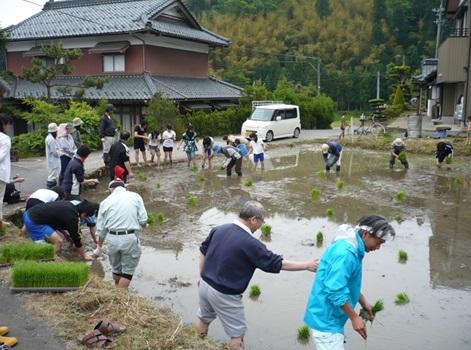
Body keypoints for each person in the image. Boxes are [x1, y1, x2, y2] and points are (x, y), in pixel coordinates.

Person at [196, 201, 318, 350]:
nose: (261, 226)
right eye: (261, 221)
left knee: (203, 319)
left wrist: (202, 276)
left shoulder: (219, 229)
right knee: (237, 335)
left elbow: (203, 251)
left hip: (204, 285)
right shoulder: (250, 243)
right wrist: (306, 265)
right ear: (253, 219)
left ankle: (195, 345)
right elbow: (276, 263)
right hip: (225, 293)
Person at [304, 216, 395, 349]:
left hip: (330, 316)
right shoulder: (346, 253)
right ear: (365, 234)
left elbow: (345, 282)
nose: (378, 247)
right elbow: (335, 290)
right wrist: (354, 317)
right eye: (378, 242)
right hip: (326, 320)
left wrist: (363, 302)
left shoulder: (353, 247)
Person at [95, 180, 148, 289]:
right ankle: (118, 297)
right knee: (128, 271)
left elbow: (101, 229)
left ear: (110, 189)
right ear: (125, 187)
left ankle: (117, 288)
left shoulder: (105, 202)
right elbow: (143, 220)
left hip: (111, 238)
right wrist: (143, 225)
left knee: (116, 268)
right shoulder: (135, 196)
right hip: (129, 237)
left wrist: (99, 246)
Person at [23, 200, 99, 261]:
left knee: (58, 239)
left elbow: (57, 222)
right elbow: (76, 238)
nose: (85, 219)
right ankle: (44, 259)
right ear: (84, 213)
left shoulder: (70, 205)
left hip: (29, 213)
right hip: (34, 221)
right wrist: (84, 255)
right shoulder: (72, 217)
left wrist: (66, 235)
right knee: (59, 241)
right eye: (86, 216)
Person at [0, 114, 12, 229]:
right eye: (8, 124)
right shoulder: (5, 138)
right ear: (3, 124)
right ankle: (0, 224)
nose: (9, 127)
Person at [45, 122, 61, 189]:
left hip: (52, 161)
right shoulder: (51, 139)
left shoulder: (50, 138)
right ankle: (50, 189)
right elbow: (54, 152)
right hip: (53, 161)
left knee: (53, 175)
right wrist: (61, 153)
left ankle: (52, 188)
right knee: (52, 176)